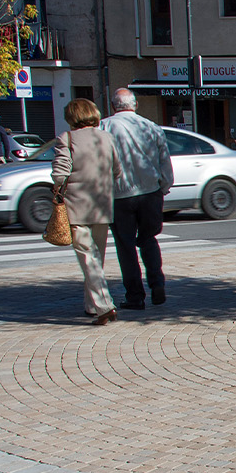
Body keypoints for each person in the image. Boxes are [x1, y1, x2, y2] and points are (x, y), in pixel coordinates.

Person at [102, 89, 175, 309]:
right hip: (150, 192)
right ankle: (157, 283)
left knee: (125, 246)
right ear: (135, 105)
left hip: (119, 195)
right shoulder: (150, 126)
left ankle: (135, 295)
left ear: (113, 105)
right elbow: (164, 160)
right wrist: (164, 186)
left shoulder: (104, 127)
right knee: (148, 239)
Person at [51, 98, 119, 325]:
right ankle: (92, 305)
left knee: (88, 257)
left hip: (77, 206)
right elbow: (117, 170)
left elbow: (60, 173)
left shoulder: (67, 138)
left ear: (72, 116)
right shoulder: (106, 138)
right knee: (96, 257)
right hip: (102, 205)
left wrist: (57, 188)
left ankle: (104, 305)